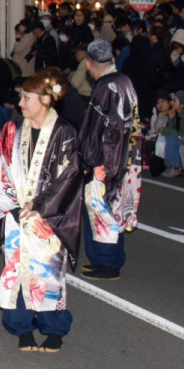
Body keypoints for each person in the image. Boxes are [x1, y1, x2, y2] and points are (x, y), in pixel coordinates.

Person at [0, 69, 83, 353]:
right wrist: (9, 203)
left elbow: (70, 177)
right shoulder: (13, 129)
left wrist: (39, 204)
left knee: (49, 274)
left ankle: (54, 327)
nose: (21, 103)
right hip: (15, 212)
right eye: (21, 97)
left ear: (46, 100)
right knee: (16, 270)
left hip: (48, 217)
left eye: (27, 98)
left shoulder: (64, 132)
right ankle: (21, 327)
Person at [77, 41, 142, 282]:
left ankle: (105, 261)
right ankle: (112, 259)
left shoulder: (105, 87)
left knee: (99, 209)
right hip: (126, 156)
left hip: (108, 160)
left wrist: (93, 161)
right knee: (114, 208)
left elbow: (102, 130)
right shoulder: (124, 80)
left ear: (89, 63)